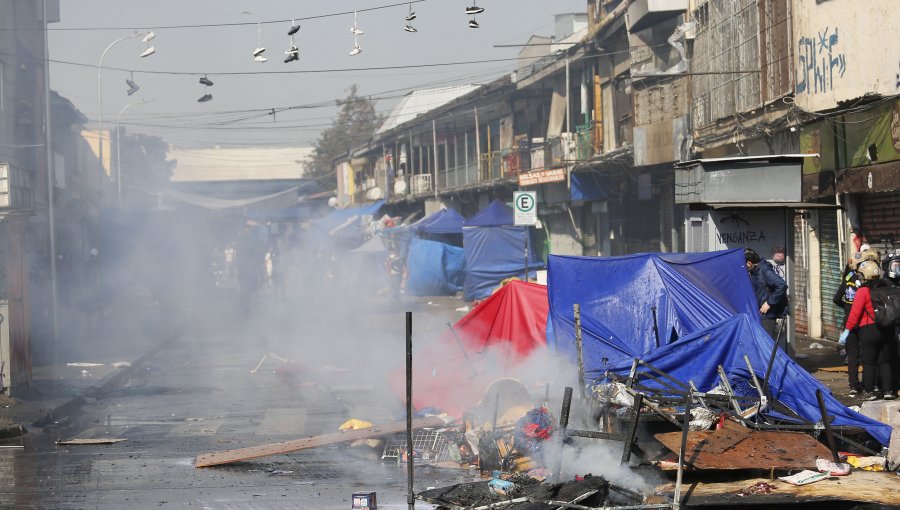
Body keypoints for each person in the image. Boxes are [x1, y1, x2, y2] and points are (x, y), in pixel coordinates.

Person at [840, 260, 895, 401]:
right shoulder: (886, 287)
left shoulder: (863, 291)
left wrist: (847, 330)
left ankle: (869, 391)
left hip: (868, 330)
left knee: (869, 362)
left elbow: (855, 313)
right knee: (884, 361)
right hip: (887, 329)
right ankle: (888, 391)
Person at [834, 256, 865, 396]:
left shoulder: (847, 278)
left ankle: (853, 385)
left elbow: (836, 298)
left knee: (852, 355)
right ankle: (869, 384)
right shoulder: (864, 280)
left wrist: (847, 307)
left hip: (849, 321)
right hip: (863, 320)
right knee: (868, 354)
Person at [746, 248, 789, 341]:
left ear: (749, 263)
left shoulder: (764, 270)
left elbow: (781, 285)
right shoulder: (754, 272)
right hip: (758, 315)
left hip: (767, 316)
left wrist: (769, 303)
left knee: (766, 345)